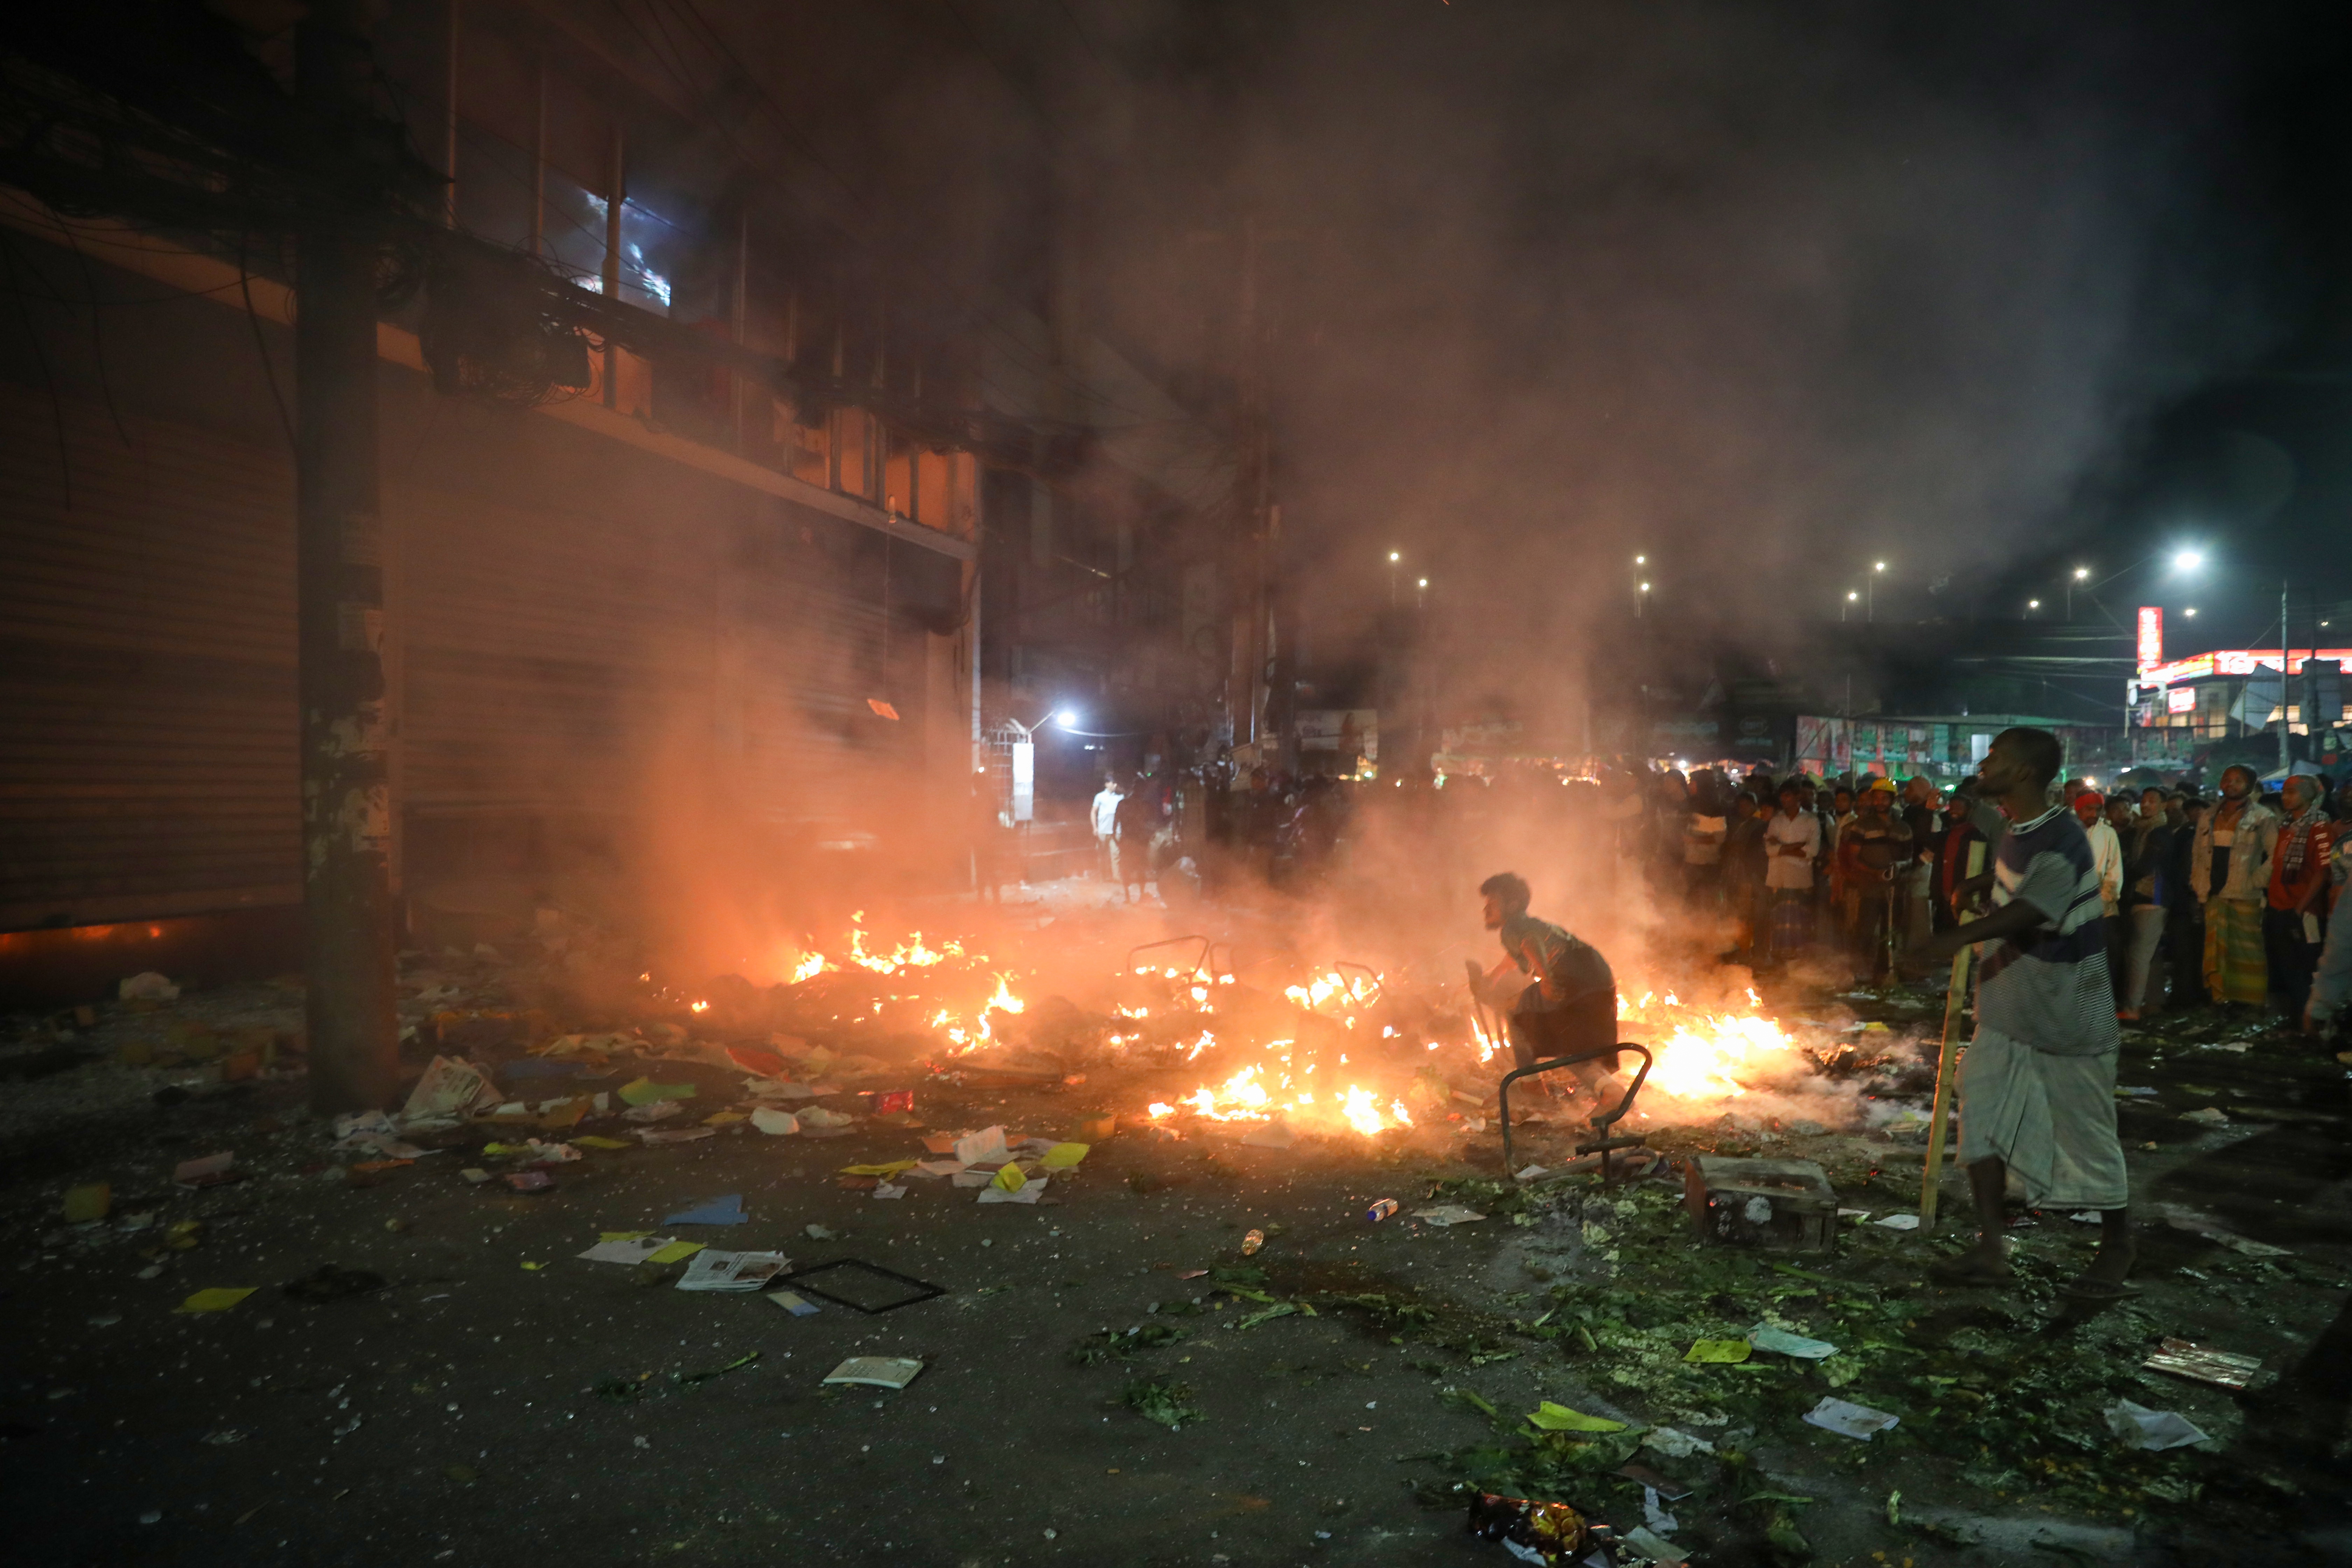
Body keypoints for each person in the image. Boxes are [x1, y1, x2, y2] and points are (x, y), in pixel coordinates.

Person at [1903, 727, 2133, 1302]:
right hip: (2008, 1008)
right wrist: (1983, 881)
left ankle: (2118, 1245)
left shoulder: (2062, 836)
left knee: (2087, 1136)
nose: (1985, 765)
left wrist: (1949, 939)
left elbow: (2034, 908)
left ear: (2025, 772)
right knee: (1980, 1117)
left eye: (1997, 758)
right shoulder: (2017, 827)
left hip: (2067, 1014)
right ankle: (1991, 1249)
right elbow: (2019, 887)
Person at [1464, 872, 1620, 1102]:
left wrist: (1546, 978)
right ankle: (1612, 1093)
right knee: (1569, 1043)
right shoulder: (1534, 925)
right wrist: (1495, 976)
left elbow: (1529, 943)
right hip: (1599, 979)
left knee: (1515, 1014)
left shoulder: (1512, 928)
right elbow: (1516, 955)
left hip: (1572, 979)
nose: (1486, 909)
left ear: (1513, 905)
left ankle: (1532, 1086)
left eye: (1493, 903)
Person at [2191, 765, 2279, 1008]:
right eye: (2227, 779)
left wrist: (2256, 881)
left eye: (2238, 780)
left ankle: (2250, 1003)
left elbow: (2276, 855)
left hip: (2245, 894)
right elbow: (2198, 855)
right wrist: (2198, 885)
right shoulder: (2208, 816)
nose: (2231, 784)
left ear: (2250, 786)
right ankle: (2221, 1000)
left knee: (2248, 952)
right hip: (2213, 893)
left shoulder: (2263, 817)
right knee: (2216, 952)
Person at [2267, 774, 2334, 1027]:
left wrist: (2300, 908)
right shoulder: (2286, 825)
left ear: (2309, 795)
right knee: (2286, 967)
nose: (2285, 797)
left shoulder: (2319, 827)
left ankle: (2311, 1025)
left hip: (2304, 911)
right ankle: (2295, 1022)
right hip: (2280, 907)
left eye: (2292, 792)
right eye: (2284, 792)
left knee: (2305, 967)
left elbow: (2323, 871)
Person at [2119, 786, 2174, 1020]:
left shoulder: (2159, 832)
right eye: (2144, 800)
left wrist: (2122, 875)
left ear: (2163, 806)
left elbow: (2145, 866)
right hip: (2147, 897)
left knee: (2138, 955)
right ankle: (2154, 1003)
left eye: (2152, 801)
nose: (2146, 804)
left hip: (2152, 897)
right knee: (2151, 955)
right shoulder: (2143, 830)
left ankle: (2132, 1008)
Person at [1762, 780, 1821, 962]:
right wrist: (1797, 846)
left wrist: (1782, 848)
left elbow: (1812, 851)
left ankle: (1799, 961)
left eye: (1788, 796)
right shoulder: (1776, 821)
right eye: (1782, 796)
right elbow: (1770, 850)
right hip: (1778, 878)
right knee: (1778, 920)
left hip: (1799, 878)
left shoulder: (1811, 820)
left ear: (1798, 797)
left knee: (1799, 921)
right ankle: (1780, 960)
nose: (1784, 800)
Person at [2075, 790, 2126, 1004]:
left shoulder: (2108, 834)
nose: (2094, 814)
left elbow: (2114, 869)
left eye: (2098, 810)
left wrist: (2105, 897)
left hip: (2103, 905)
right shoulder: (2068, 832)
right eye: (2089, 809)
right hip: (2073, 906)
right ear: (2079, 809)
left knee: (2108, 952)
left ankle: (2104, 1002)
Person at [1090, 776, 1124, 886]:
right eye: (1113, 783)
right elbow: (1093, 812)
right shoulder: (1100, 797)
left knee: (1116, 854)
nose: (1115, 785)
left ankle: (1117, 877)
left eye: (1116, 783)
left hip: (1115, 831)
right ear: (1107, 784)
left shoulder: (1119, 797)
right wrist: (1095, 828)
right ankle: (1103, 877)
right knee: (1102, 854)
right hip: (1103, 830)